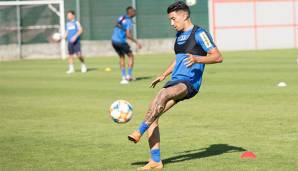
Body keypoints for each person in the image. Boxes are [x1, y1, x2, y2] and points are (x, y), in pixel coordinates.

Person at [127, 1, 223, 170]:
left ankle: (138, 131)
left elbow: (217, 56)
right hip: (175, 80)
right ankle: (155, 161)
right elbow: (179, 58)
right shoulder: (179, 35)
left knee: (162, 96)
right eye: (170, 20)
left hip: (189, 82)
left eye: (173, 19)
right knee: (153, 116)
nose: (171, 23)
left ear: (184, 15)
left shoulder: (199, 33)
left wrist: (197, 59)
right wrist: (164, 74)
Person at [111, 6, 142, 84]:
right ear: (130, 12)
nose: (135, 13)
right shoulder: (129, 21)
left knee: (121, 57)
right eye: (134, 12)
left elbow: (116, 24)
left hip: (114, 41)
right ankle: (128, 76)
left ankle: (123, 76)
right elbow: (128, 35)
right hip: (121, 41)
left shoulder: (121, 17)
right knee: (131, 56)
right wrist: (136, 42)